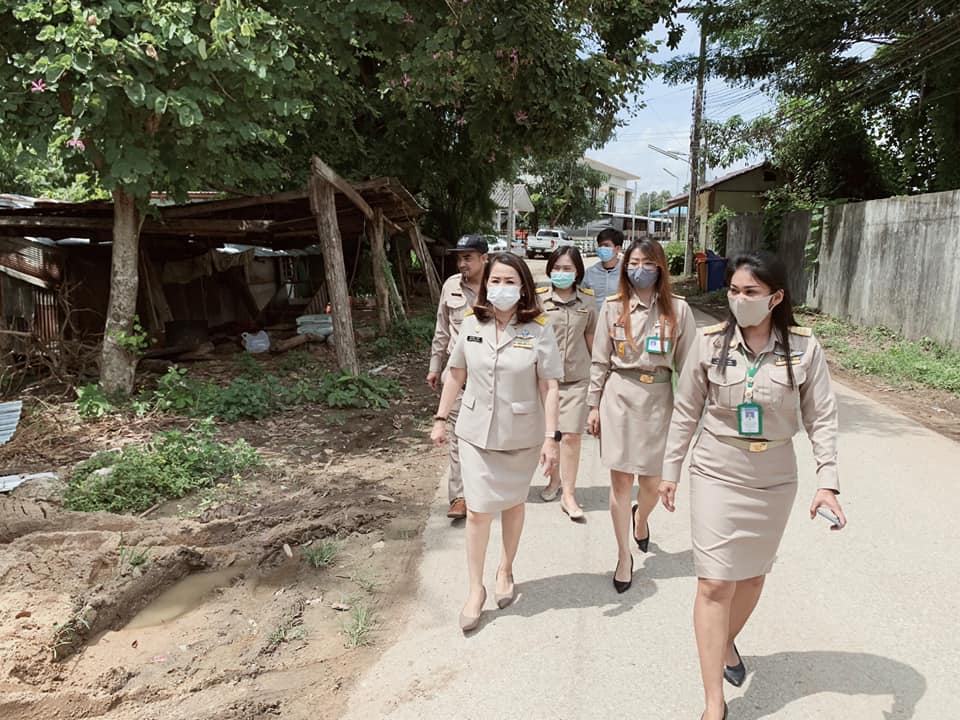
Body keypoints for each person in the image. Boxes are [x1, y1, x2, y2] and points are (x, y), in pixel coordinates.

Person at [659, 250, 847, 720]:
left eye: (751, 292)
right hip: (717, 470)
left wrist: (828, 481)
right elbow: (685, 411)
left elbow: (822, 417)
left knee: (752, 576)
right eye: (734, 291)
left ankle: (723, 641)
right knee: (713, 583)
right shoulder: (709, 344)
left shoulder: (804, 348)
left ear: (775, 298)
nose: (739, 299)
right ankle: (713, 703)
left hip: (774, 478)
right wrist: (670, 470)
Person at [430, 252, 562, 632]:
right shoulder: (472, 322)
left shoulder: (538, 328)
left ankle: (506, 568)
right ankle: (475, 589)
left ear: (523, 288)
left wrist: (551, 439)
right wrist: (440, 418)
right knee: (478, 511)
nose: (501, 288)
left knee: (514, 504)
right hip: (475, 433)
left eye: (509, 281)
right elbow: (456, 374)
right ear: (486, 285)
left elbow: (549, 386)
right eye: (495, 281)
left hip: (520, 435)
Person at [587, 239, 697, 593]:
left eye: (648, 263)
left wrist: (693, 412)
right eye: (634, 262)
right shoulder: (612, 307)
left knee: (651, 484)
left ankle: (641, 517)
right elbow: (600, 359)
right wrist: (593, 404)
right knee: (620, 483)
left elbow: (691, 367)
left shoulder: (678, 310)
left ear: (660, 267)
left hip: (659, 400)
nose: (640, 269)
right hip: (618, 396)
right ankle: (623, 556)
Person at [427, 234, 488, 520]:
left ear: (484, 258)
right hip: (457, 374)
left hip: (490, 376)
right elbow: (441, 328)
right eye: (459, 258)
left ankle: (487, 487)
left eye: (468, 257)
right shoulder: (451, 286)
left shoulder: (499, 285)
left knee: (488, 435)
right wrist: (434, 365)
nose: (462, 263)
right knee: (458, 435)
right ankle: (460, 497)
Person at [536, 246, 597, 520]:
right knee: (552, 434)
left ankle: (569, 494)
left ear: (577, 272)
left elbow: (592, 339)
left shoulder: (587, 302)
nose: (561, 273)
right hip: (544, 380)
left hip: (576, 378)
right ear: (550, 270)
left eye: (568, 269)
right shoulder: (538, 300)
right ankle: (554, 480)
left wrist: (602, 375)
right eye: (557, 268)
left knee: (571, 436)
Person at [581, 227, 624, 311]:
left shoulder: (626, 271)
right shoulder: (590, 272)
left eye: (606, 245)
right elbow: (583, 297)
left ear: (618, 249)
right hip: (596, 317)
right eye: (600, 245)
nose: (602, 248)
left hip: (619, 317)